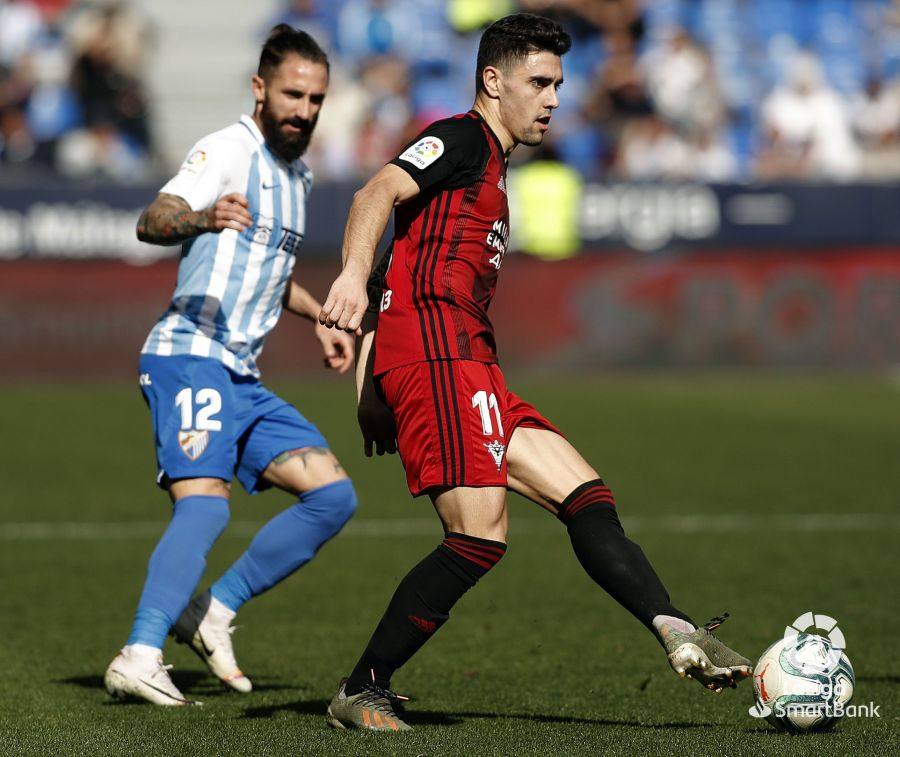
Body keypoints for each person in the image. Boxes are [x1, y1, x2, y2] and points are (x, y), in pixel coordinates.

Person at [317, 13, 752, 731]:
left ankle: (676, 627)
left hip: (470, 363)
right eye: (539, 82)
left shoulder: (491, 168)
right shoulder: (459, 139)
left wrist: (370, 383)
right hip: (437, 356)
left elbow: (408, 258)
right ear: (493, 80)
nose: (553, 98)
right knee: (479, 536)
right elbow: (374, 196)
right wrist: (353, 279)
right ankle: (362, 687)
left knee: (585, 492)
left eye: (559, 83)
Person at [103, 25, 358, 706]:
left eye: (315, 98)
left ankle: (211, 611)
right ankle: (140, 651)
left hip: (241, 373)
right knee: (206, 507)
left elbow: (271, 273)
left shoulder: (297, 177)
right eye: (292, 94)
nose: (303, 109)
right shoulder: (226, 150)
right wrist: (202, 217)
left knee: (334, 495)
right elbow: (152, 220)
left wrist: (324, 319)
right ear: (259, 89)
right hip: (188, 354)